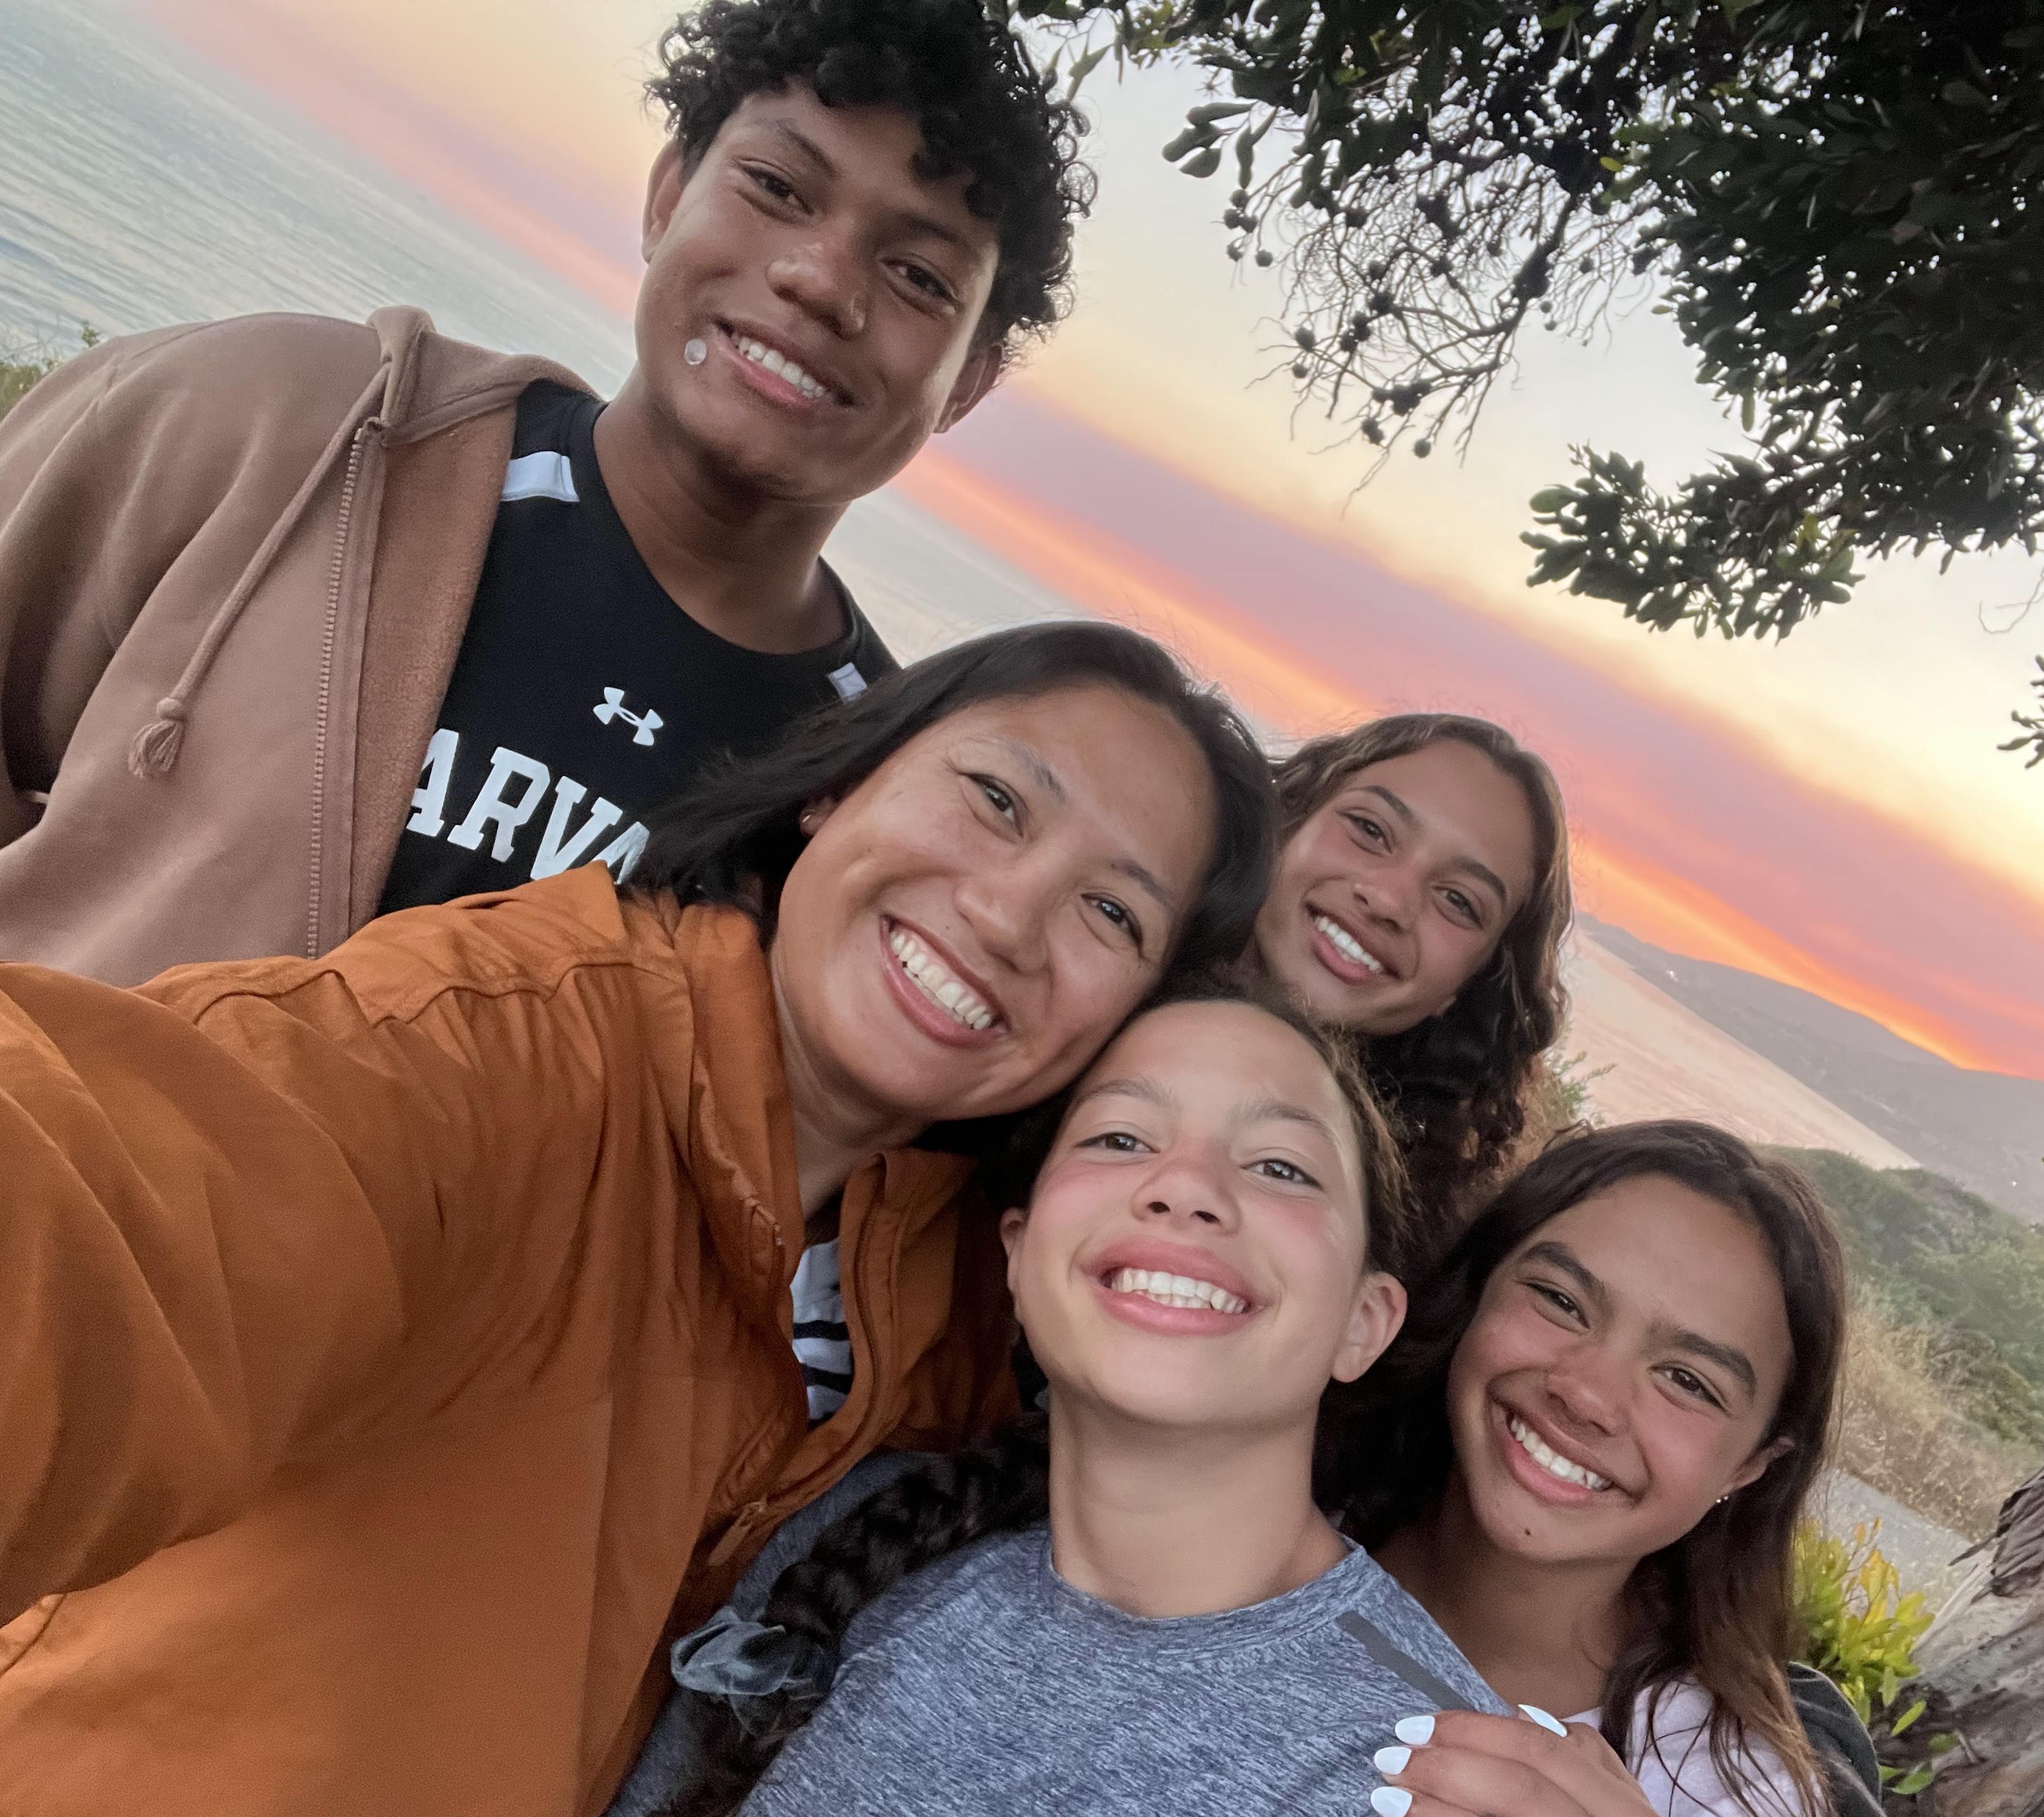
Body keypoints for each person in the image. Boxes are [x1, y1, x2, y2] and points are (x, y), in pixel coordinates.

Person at [0, 621, 1273, 1817]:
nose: (1008, 915)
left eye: (1114, 912)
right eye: (997, 800)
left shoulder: (958, 1288)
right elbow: (114, 1210)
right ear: (837, 787)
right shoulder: (504, 1049)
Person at [0, 0, 1089, 983]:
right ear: (669, 196)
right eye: (775, 187)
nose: (820, 279)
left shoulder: (877, 791)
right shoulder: (282, 424)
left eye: (919, 278)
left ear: (968, 384)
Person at [610, 978, 1511, 1817]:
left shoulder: (1438, 1777)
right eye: (1120, 1138)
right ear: (1018, 1250)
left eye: (1280, 1166)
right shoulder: (851, 1532)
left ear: (1365, 1320)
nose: (1186, 1188)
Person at [1323, 1121, 1877, 1817]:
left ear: (1753, 1467)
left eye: (1687, 1380)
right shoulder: (1249, 1515)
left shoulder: (1727, 1792)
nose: (1586, 1395)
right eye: (1561, 1301)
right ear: (1478, 1288)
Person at [1254, 714, 1573, 1228]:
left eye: (1458, 902)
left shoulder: (1384, 1232)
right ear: (1293, 817)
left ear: (1466, 986)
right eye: (1370, 829)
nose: (1387, 900)